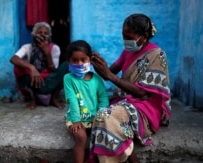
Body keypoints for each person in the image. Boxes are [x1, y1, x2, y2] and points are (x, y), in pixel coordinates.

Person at [89, 13, 171, 162]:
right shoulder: (128, 51)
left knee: (105, 116)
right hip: (126, 100)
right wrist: (98, 64)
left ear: (144, 36)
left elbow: (142, 92)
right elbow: (111, 70)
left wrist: (109, 75)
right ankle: (130, 155)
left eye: (129, 37)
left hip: (146, 106)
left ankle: (132, 159)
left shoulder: (157, 55)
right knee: (92, 112)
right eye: (123, 35)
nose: (125, 40)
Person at [63, 40, 109, 163]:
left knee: (106, 134)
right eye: (75, 60)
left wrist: (100, 117)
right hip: (76, 119)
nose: (79, 63)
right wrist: (76, 120)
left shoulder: (97, 80)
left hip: (95, 118)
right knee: (81, 137)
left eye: (83, 60)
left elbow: (103, 99)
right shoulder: (68, 78)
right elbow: (72, 100)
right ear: (69, 61)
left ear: (90, 60)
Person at [10, 22, 68, 109]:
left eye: (45, 33)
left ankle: (53, 98)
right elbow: (13, 59)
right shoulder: (27, 47)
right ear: (34, 34)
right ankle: (32, 98)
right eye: (39, 32)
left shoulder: (55, 48)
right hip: (33, 81)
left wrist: (47, 53)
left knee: (68, 65)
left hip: (49, 81)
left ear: (49, 36)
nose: (42, 35)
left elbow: (53, 70)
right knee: (18, 67)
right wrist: (31, 67)